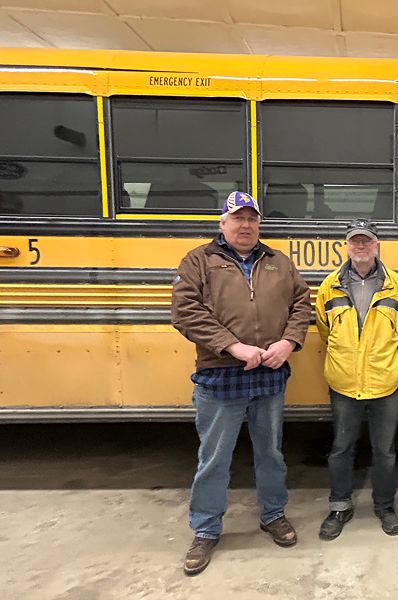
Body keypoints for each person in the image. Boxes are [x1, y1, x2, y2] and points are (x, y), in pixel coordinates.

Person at [171, 191, 312, 576]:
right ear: (222, 223)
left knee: (271, 453)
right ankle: (205, 529)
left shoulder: (278, 262)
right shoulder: (199, 261)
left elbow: (302, 303)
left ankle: (273, 515)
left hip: (269, 374)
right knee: (214, 459)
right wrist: (232, 346)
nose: (246, 225)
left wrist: (288, 341)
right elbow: (185, 312)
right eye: (238, 218)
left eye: (252, 219)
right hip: (219, 375)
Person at [315, 218, 398, 540]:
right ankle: (339, 506)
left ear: (376, 245)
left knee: (384, 450)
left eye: (366, 241)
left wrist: (379, 360)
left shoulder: (397, 285)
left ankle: (385, 506)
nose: (360, 246)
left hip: (384, 383)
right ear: (346, 246)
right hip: (344, 384)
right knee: (341, 447)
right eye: (355, 241)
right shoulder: (329, 285)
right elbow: (324, 330)